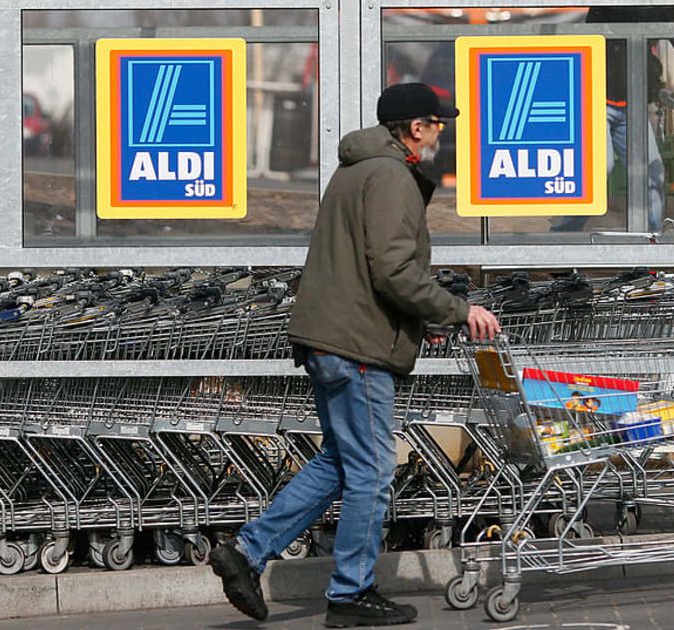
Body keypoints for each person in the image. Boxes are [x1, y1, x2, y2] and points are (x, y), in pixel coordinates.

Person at [208, 82, 501, 628]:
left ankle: (247, 552)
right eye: (438, 124)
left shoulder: (359, 169)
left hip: (334, 339)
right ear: (416, 128)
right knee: (370, 471)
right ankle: (351, 594)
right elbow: (394, 271)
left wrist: (419, 320)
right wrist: (458, 311)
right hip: (357, 347)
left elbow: (369, 270)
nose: (442, 133)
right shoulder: (391, 175)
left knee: (340, 463)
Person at [552, 7, 674, 233]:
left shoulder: (664, 7)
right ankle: (563, 234)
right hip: (596, 99)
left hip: (633, 103)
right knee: (600, 167)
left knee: (651, 171)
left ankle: (652, 237)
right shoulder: (608, 7)